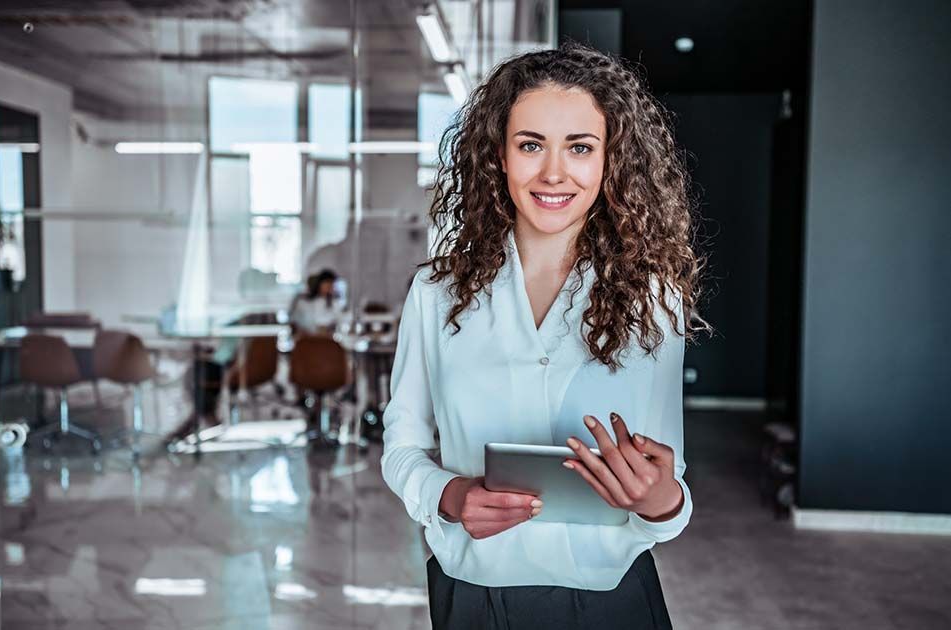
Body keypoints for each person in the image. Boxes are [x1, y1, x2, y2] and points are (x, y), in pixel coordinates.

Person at [380, 42, 710, 629]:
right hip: (475, 600)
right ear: (498, 158)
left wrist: (659, 499)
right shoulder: (436, 293)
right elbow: (402, 448)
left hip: (614, 604)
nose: (553, 172)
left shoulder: (654, 299)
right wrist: (449, 497)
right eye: (531, 145)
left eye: (579, 148)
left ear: (610, 161)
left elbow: (669, 489)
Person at [290, 269, 346, 335]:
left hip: (327, 338)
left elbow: (340, 320)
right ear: (319, 284)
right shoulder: (304, 302)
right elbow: (296, 321)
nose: (330, 286)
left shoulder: (335, 303)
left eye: (332, 284)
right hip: (307, 338)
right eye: (327, 283)